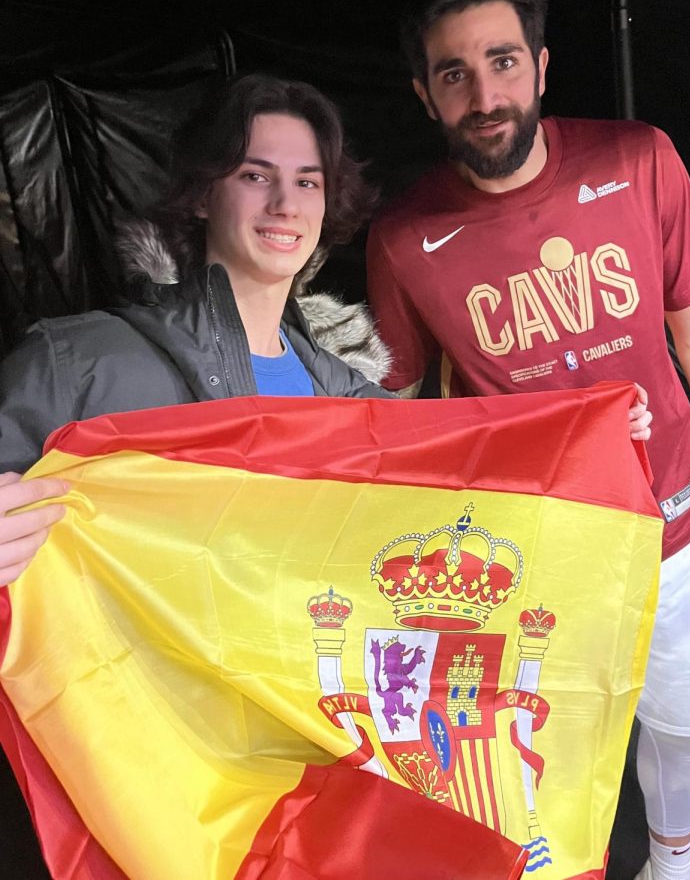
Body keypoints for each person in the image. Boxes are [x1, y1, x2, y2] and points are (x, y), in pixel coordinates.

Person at [365, 0, 690, 879]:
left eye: (504, 62)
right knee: (540, 735)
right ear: (423, 92)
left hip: (667, 524)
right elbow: (398, 419)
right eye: (455, 73)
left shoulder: (638, 161)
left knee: (680, 721)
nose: (485, 97)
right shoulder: (404, 240)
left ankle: (670, 865)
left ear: (543, 65)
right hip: (529, 556)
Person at [0, 73, 395, 586]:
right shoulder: (75, 362)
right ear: (204, 195)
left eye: (307, 181)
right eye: (255, 176)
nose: (285, 204)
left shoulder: (361, 408)